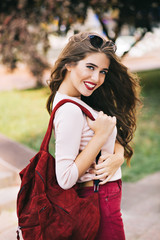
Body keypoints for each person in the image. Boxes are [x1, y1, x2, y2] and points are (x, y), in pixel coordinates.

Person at [46, 31, 141, 239]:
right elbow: (65, 178)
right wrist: (100, 136)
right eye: (90, 67)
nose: (96, 78)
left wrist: (117, 157)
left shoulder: (77, 99)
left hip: (102, 196)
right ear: (69, 64)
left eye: (103, 71)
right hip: (99, 198)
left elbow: (108, 137)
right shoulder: (69, 110)